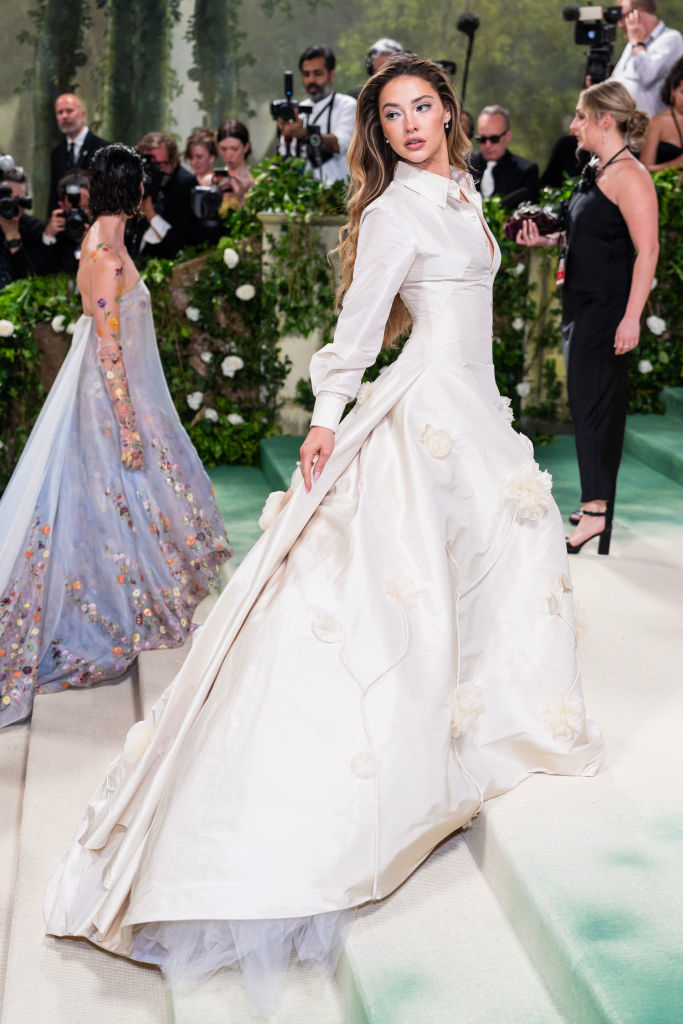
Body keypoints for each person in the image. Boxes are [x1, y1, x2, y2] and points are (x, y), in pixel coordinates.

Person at [45, 58, 603, 1012]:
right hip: (426, 407)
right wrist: (328, 413)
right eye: (392, 115)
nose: (411, 124)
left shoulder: (464, 188)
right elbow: (357, 323)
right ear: (377, 132)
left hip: (475, 407)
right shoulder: (390, 214)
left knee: (498, 560)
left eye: (423, 106)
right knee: (407, 587)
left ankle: (483, 718)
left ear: (448, 114)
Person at [0, 144, 231, 728]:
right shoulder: (105, 254)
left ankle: (137, 605)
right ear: (133, 192)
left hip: (114, 396)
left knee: (122, 509)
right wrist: (129, 425)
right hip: (106, 403)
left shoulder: (109, 244)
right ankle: (111, 614)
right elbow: (107, 345)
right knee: (110, 507)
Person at [516, 82, 658, 553]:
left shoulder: (631, 176)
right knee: (586, 405)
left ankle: (597, 511)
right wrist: (547, 240)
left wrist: (632, 317)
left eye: (580, 115)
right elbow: (590, 237)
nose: (573, 125)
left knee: (596, 408)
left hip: (606, 310)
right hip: (581, 305)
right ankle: (596, 502)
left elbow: (647, 250)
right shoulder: (598, 169)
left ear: (604, 120)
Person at [277, 44, 357, 181]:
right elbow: (285, 156)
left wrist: (304, 134)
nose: (311, 80)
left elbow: (340, 144)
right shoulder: (298, 109)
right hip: (303, 196)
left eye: (317, 73)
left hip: (338, 195)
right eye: (306, 74)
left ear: (331, 74)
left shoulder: (348, 106)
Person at [610, 0, 683, 117]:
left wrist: (637, 43)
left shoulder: (671, 38)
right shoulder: (633, 44)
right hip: (626, 128)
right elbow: (617, 79)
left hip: (651, 129)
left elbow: (646, 76)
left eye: (622, 16)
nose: (620, 24)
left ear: (638, 13)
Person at [132, 132, 197, 258]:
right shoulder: (141, 181)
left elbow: (180, 244)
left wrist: (151, 214)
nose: (157, 171)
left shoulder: (184, 185)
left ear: (174, 162)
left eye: (162, 164)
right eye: (150, 164)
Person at [47, 94, 108, 218]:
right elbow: (54, 195)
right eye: (60, 112)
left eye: (69, 111)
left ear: (83, 115)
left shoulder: (104, 150)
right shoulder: (56, 153)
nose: (64, 116)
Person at [470, 105, 539, 206]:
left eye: (494, 139)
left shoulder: (525, 172)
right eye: (482, 139)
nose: (488, 145)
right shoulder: (466, 166)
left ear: (508, 136)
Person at [0, 163, 51, 289]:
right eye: (6, 199)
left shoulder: (34, 229)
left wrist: (13, 239)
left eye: (19, 200)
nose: (13, 206)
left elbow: (34, 282)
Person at [42, 169, 91, 275]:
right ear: (61, 206)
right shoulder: (52, 231)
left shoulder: (102, 233)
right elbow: (42, 274)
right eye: (72, 210)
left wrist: (89, 244)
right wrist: (48, 238)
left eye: (83, 209)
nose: (77, 216)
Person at [640, 56, 683, 170]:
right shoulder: (656, 123)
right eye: (682, 92)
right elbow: (645, 169)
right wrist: (677, 163)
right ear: (672, 90)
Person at [215, 119, 254, 208]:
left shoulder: (255, 179)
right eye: (223, 149)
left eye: (235, 149)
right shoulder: (216, 179)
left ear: (246, 147)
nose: (229, 155)